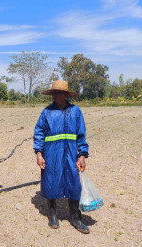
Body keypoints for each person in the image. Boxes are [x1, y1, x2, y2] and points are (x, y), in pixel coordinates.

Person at [33, 80, 90, 234]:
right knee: (50, 181)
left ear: (66, 94)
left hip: (71, 154)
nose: (55, 95)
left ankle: (76, 218)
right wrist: (39, 153)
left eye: (58, 93)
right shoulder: (46, 112)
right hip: (51, 154)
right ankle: (52, 214)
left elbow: (81, 135)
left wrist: (82, 155)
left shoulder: (76, 111)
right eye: (54, 93)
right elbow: (39, 133)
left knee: (73, 183)